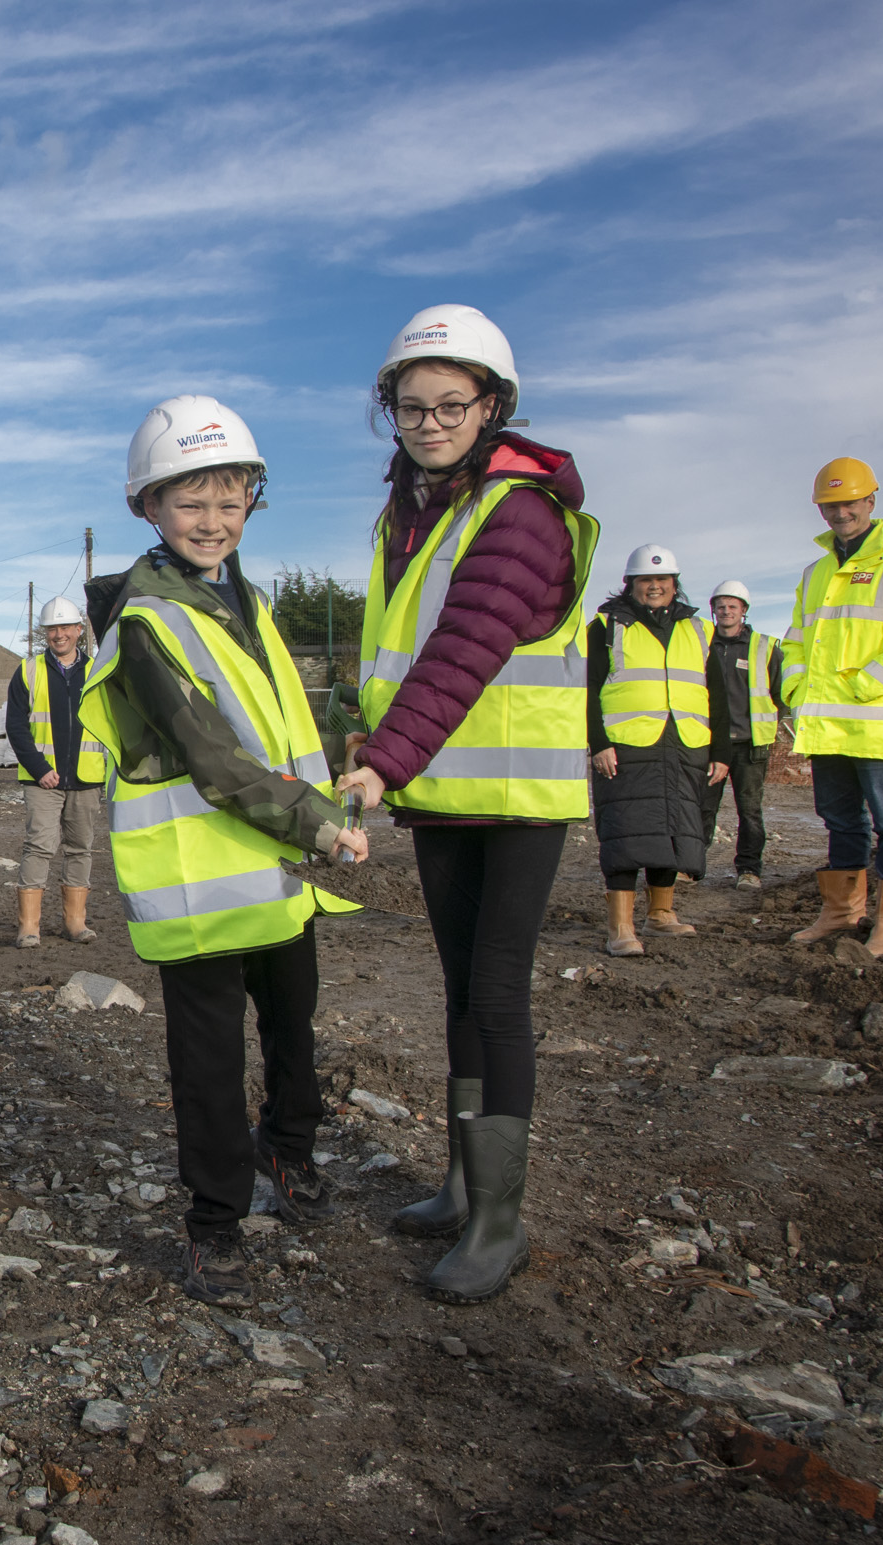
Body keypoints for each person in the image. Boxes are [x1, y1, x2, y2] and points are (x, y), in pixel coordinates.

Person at [79, 396, 367, 1307]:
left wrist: (322, 802)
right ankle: (213, 1224)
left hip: (273, 870)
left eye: (229, 500)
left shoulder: (247, 601)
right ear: (148, 508)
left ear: (251, 504)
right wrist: (317, 824)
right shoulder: (144, 620)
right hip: (201, 877)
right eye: (189, 502)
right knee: (207, 1059)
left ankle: (289, 1155)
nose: (212, 520)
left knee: (293, 1031)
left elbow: (278, 728)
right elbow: (209, 757)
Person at [338, 305, 599, 1305]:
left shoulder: (519, 512)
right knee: (456, 993)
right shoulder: (408, 515)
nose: (430, 420)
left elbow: (463, 652)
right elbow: (396, 657)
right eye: (411, 405)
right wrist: (369, 744)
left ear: (493, 407)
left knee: (495, 994)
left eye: (453, 403)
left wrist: (382, 763)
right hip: (440, 791)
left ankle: (499, 1222)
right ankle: (460, 1180)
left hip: (515, 796)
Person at [783, 457, 883, 958]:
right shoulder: (815, 573)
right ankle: (841, 912)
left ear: (871, 501)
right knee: (840, 821)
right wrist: (795, 691)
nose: (840, 512)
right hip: (827, 727)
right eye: (830, 504)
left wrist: (866, 684)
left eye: (849, 502)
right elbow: (794, 643)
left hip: (874, 725)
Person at [587, 544, 711, 956]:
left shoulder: (697, 628)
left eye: (662, 580)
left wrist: (721, 749)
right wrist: (598, 743)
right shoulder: (606, 625)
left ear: (675, 585)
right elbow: (587, 689)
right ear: (631, 585)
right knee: (626, 833)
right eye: (646, 580)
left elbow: (720, 693)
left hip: (683, 743)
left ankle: (661, 914)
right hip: (627, 746)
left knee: (672, 830)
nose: (654, 586)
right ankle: (620, 927)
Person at [7, 595, 107, 948]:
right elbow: (16, 726)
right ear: (44, 633)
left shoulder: (98, 671)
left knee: (81, 848)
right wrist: (39, 769)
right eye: (52, 629)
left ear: (79, 630)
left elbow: (112, 724)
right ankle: (29, 926)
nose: (59, 634)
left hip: (87, 778)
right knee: (38, 847)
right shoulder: (28, 671)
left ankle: (75, 923)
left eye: (65, 627)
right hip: (42, 780)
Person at [701, 579, 783, 890]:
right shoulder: (702, 646)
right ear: (713, 610)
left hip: (751, 746)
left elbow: (779, 694)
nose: (725, 611)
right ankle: (693, 866)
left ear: (743, 611)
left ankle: (749, 870)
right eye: (720, 606)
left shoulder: (763, 647)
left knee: (749, 811)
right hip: (710, 744)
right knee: (703, 808)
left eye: (732, 606)